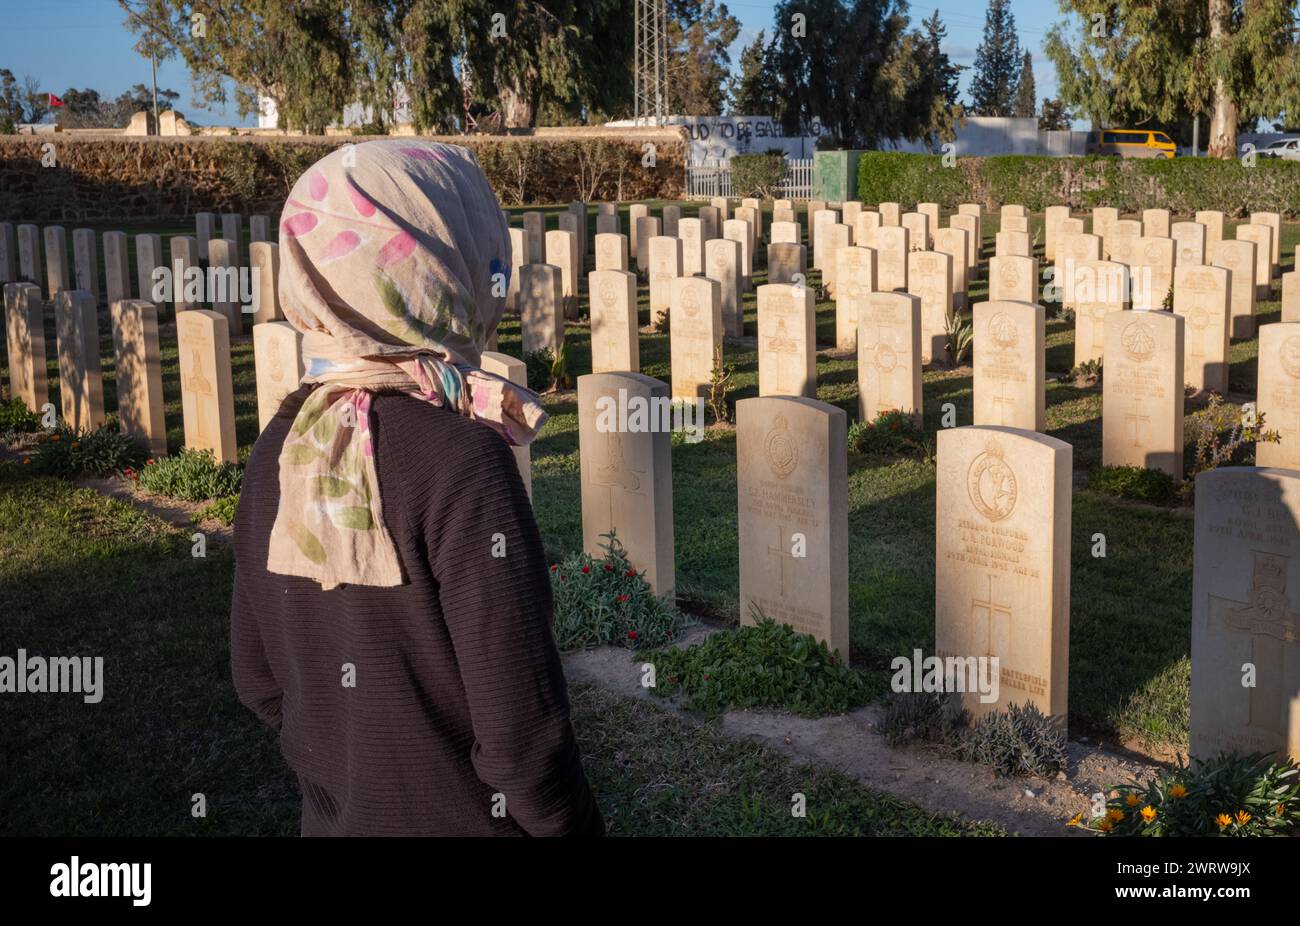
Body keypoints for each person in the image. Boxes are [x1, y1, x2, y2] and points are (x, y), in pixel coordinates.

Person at [230, 139, 603, 836]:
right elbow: (525, 745)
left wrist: (354, 779)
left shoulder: (279, 445)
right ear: (449, 261)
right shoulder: (463, 463)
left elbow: (258, 680)